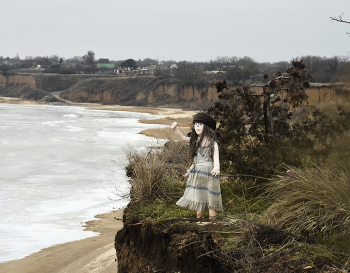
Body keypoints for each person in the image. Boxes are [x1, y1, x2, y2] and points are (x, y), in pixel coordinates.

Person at [171, 112, 223, 219]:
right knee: (199, 195)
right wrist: (176, 130)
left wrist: (217, 167)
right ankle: (200, 218)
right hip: (198, 173)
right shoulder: (195, 141)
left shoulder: (213, 143)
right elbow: (184, 139)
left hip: (210, 173)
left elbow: (216, 158)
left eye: (200, 124)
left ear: (207, 127)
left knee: (211, 195)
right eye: (196, 124)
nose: (197, 126)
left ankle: (213, 220)